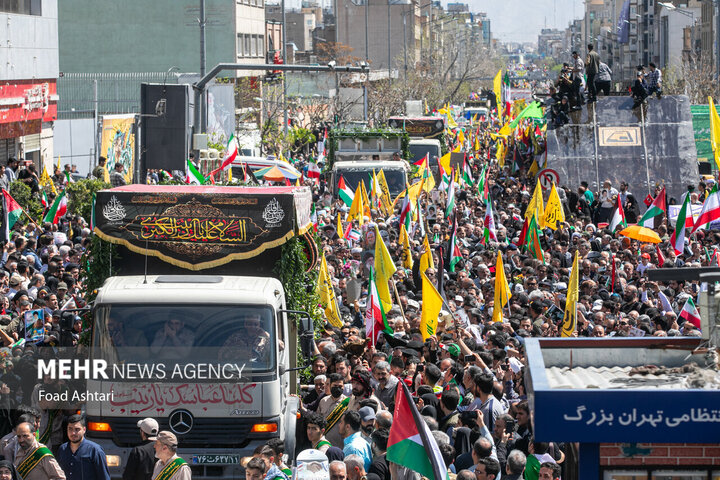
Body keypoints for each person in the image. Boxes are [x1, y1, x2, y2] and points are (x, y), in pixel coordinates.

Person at [56, 414, 111, 480]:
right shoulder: (62, 449)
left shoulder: (95, 450)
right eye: (70, 429)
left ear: (84, 430)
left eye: (77, 429)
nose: (73, 433)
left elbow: (104, 477)